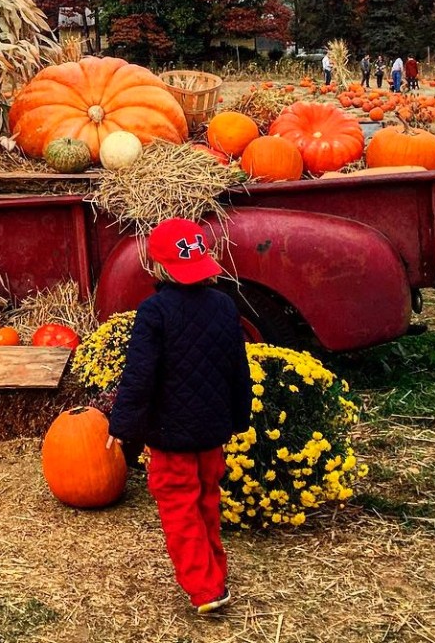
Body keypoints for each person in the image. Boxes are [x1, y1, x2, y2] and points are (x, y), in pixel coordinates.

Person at [107, 217, 252, 617]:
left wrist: (121, 427)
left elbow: (139, 376)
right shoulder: (224, 306)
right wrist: (240, 418)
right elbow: (238, 367)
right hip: (212, 433)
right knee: (207, 500)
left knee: (179, 507)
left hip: (171, 437)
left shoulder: (154, 312)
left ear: (157, 266)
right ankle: (215, 574)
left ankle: (205, 588)